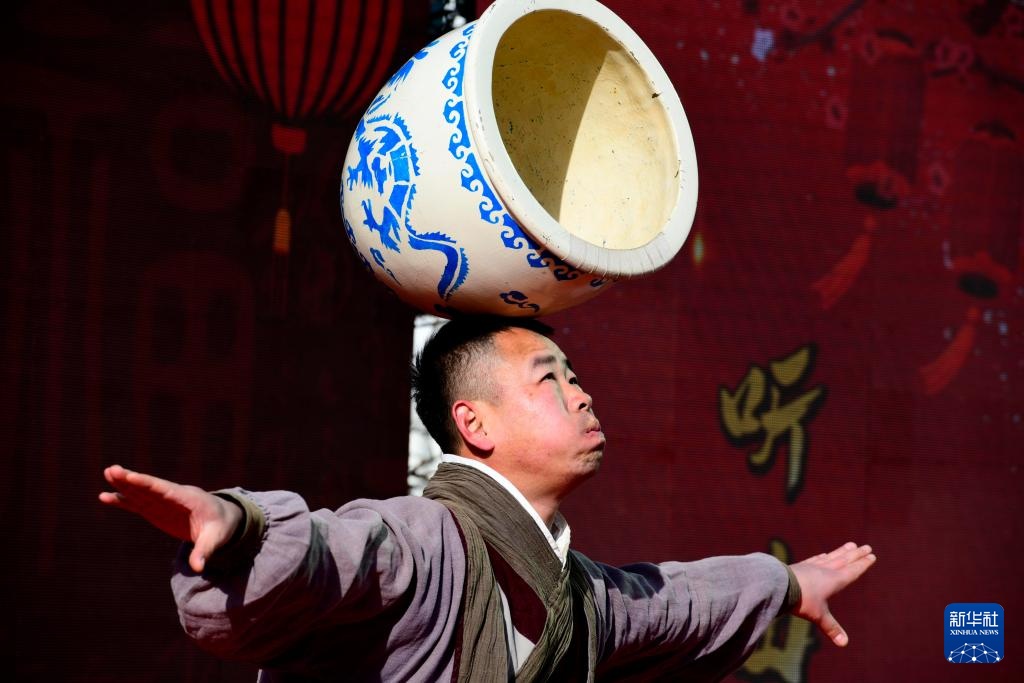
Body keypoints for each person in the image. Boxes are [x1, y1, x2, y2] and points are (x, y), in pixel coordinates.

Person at [100, 315, 876, 682]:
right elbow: (330, 552)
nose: (582, 393)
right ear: (474, 423)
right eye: (551, 378)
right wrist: (239, 524)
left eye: (576, 375)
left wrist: (788, 581)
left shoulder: (583, 598)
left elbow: (674, 600)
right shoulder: (419, 539)